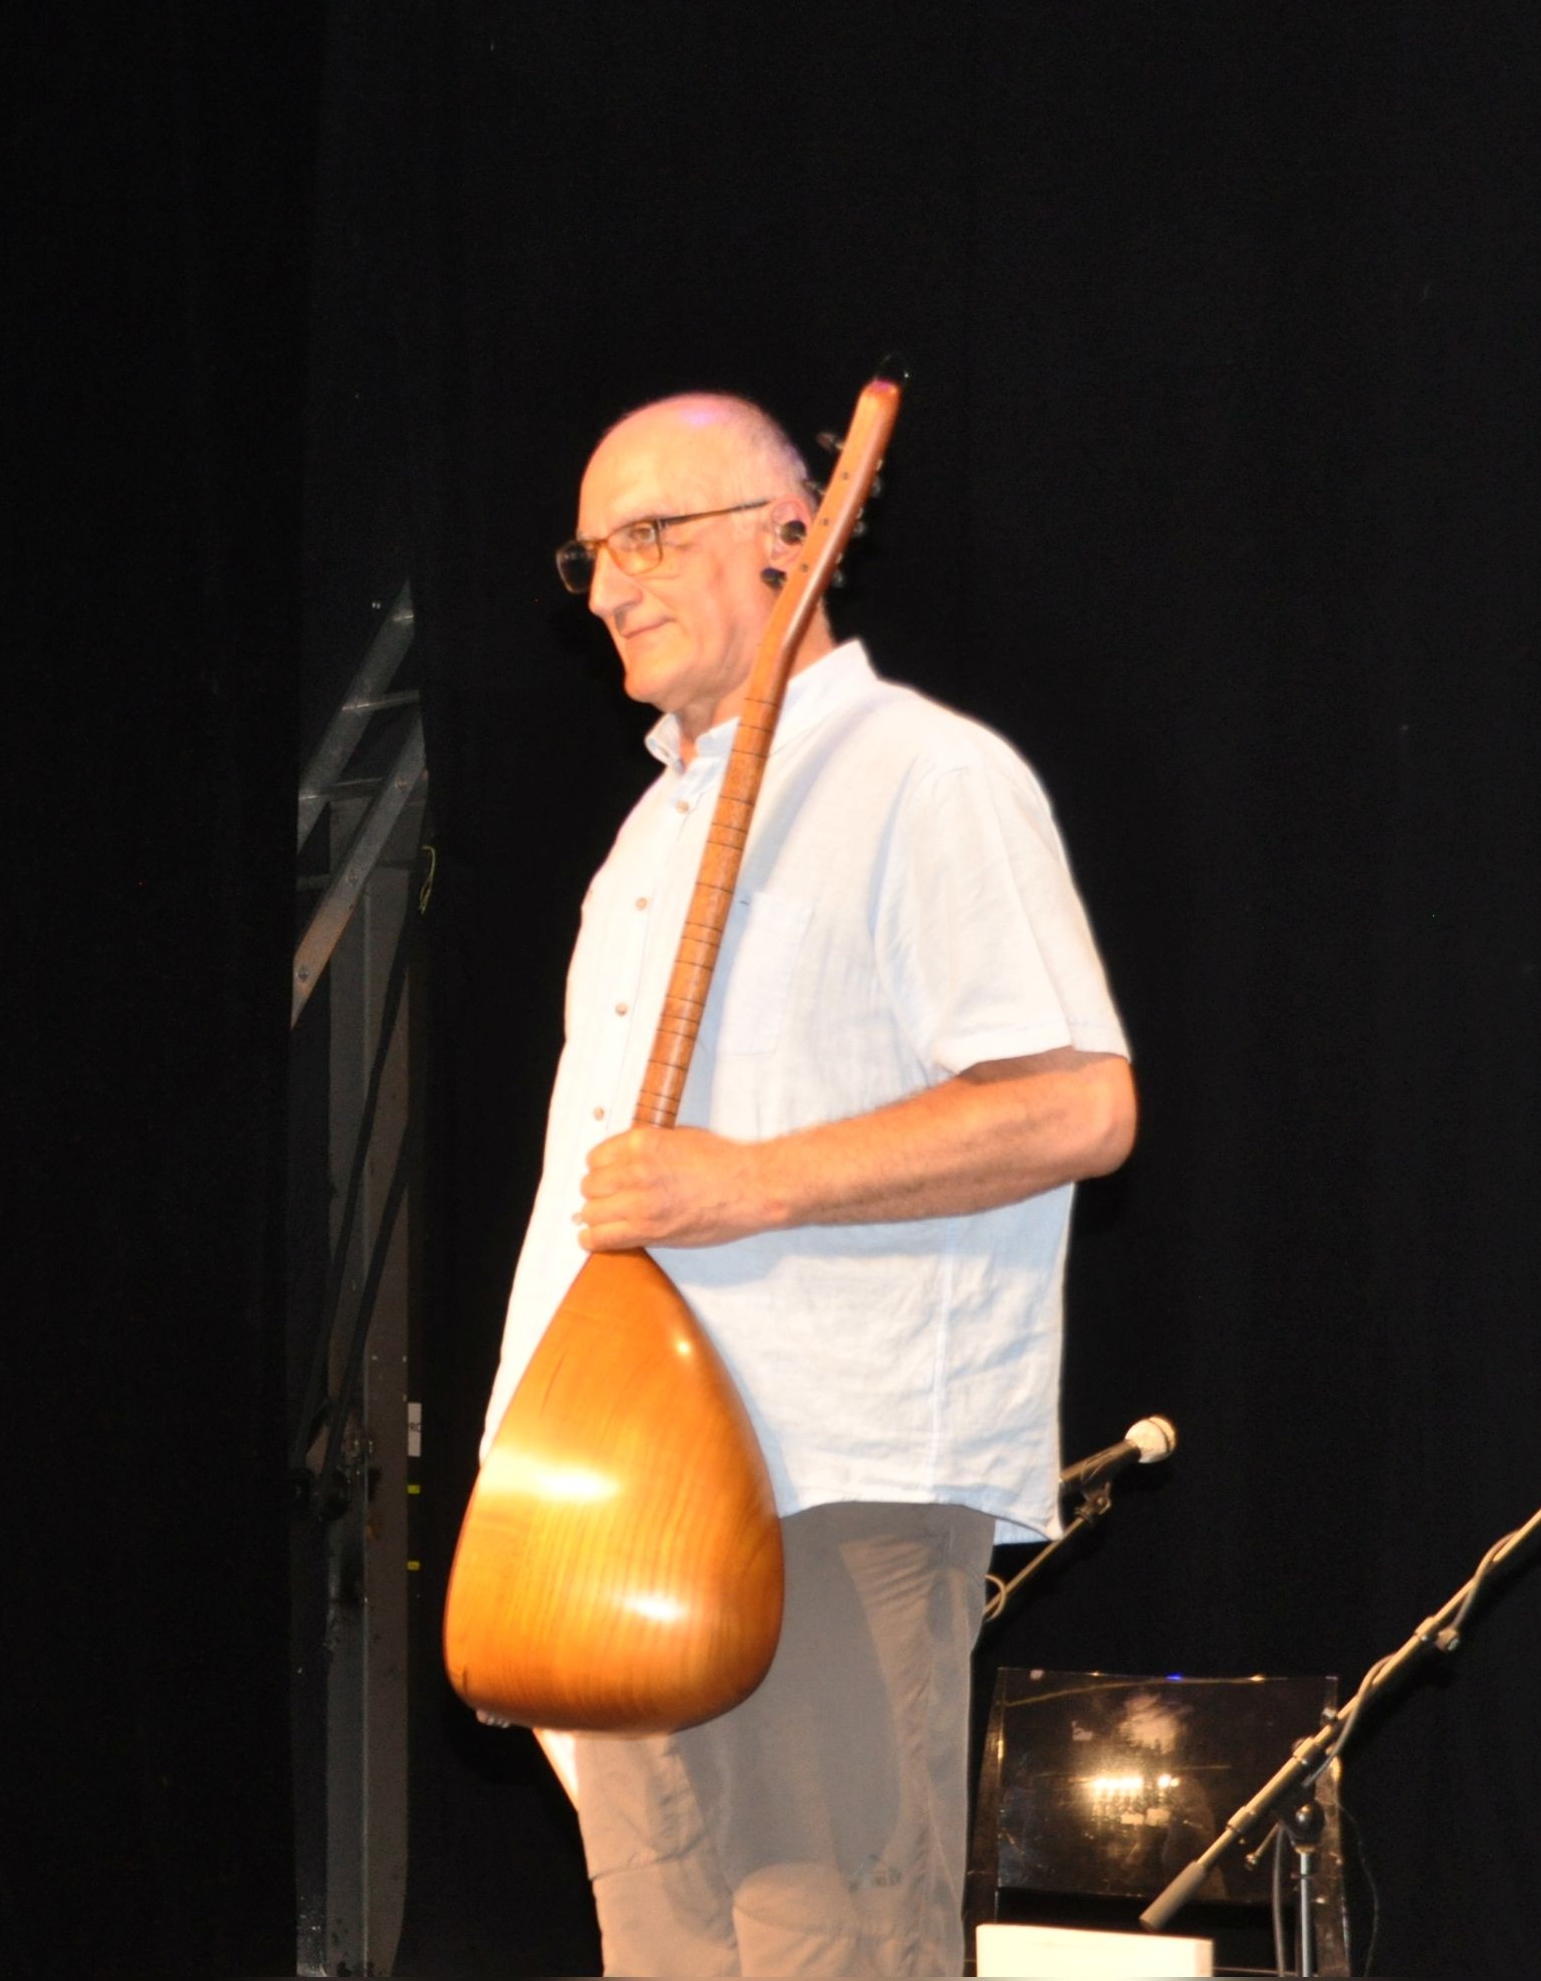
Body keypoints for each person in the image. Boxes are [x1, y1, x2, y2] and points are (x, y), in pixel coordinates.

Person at [484, 394, 1136, 1976]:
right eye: (590, 553)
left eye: (652, 534)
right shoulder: (648, 837)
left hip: (830, 1480)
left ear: (801, 534)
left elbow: (1076, 1106)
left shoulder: (925, 776)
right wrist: (525, 1485)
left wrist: (750, 1186)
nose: (611, 583)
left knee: (826, 1942)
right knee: (665, 1951)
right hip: (623, 1501)